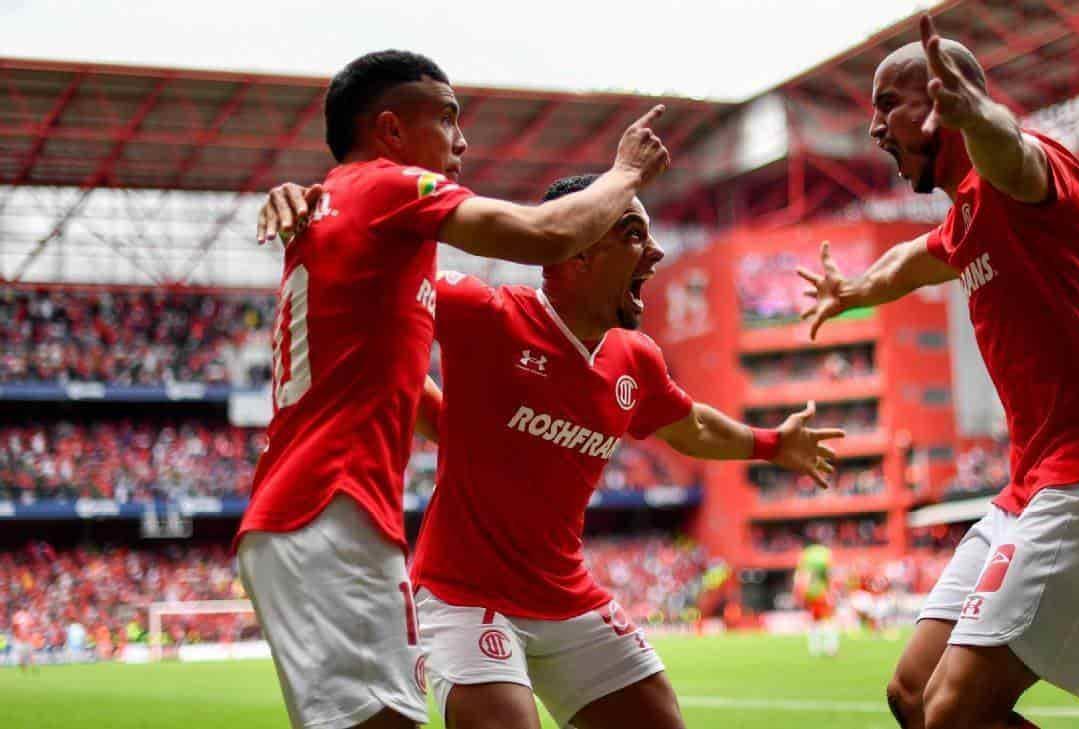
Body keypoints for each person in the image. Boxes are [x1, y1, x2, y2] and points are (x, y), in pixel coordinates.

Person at [257, 172, 841, 729]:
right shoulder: (486, 315)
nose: (656, 253)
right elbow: (371, 299)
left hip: (566, 596)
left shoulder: (635, 358)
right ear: (576, 248)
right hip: (463, 597)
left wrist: (772, 444)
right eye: (633, 234)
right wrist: (319, 219)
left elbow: (691, 426)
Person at [237, 50, 670, 729]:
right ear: (389, 131)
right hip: (329, 504)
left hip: (326, 512)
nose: (463, 140)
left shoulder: (356, 218)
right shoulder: (383, 190)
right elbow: (543, 233)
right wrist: (627, 174)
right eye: (447, 118)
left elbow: (411, 399)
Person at [797, 15, 1079, 729]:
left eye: (888, 104)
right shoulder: (967, 217)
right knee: (913, 695)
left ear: (944, 99)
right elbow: (906, 263)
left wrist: (981, 116)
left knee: (953, 711)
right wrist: (852, 291)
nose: (875, 128)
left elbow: (1013, 150)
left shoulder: (1027, 171)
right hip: (1030, 485)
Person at [793, 542, 838, 657]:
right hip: (822, 594)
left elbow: (800, 578)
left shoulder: (805, 557)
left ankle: (815, 649)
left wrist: (800, 595)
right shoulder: (824, 555)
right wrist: (832, 591)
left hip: (810, 594)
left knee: (815, 623)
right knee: (828, 621)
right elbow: (829, 574)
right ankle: (830, 648)